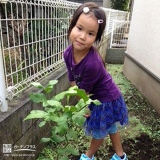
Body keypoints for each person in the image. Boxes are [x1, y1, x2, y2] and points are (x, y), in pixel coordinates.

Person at [63, 2, 128, 160]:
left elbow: (83, 92)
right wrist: (81, 102)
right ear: (72, 26)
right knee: (111, 126)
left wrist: (83, 106)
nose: (83, 37)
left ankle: (88, 156)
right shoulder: (67, 53)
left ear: (97, 38)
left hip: (105, 98)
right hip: (94, 96)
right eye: (79, 28)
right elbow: (72, 78)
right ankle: (121, 156)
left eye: (91, 33)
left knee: (100, 130)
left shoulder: (92, 63)